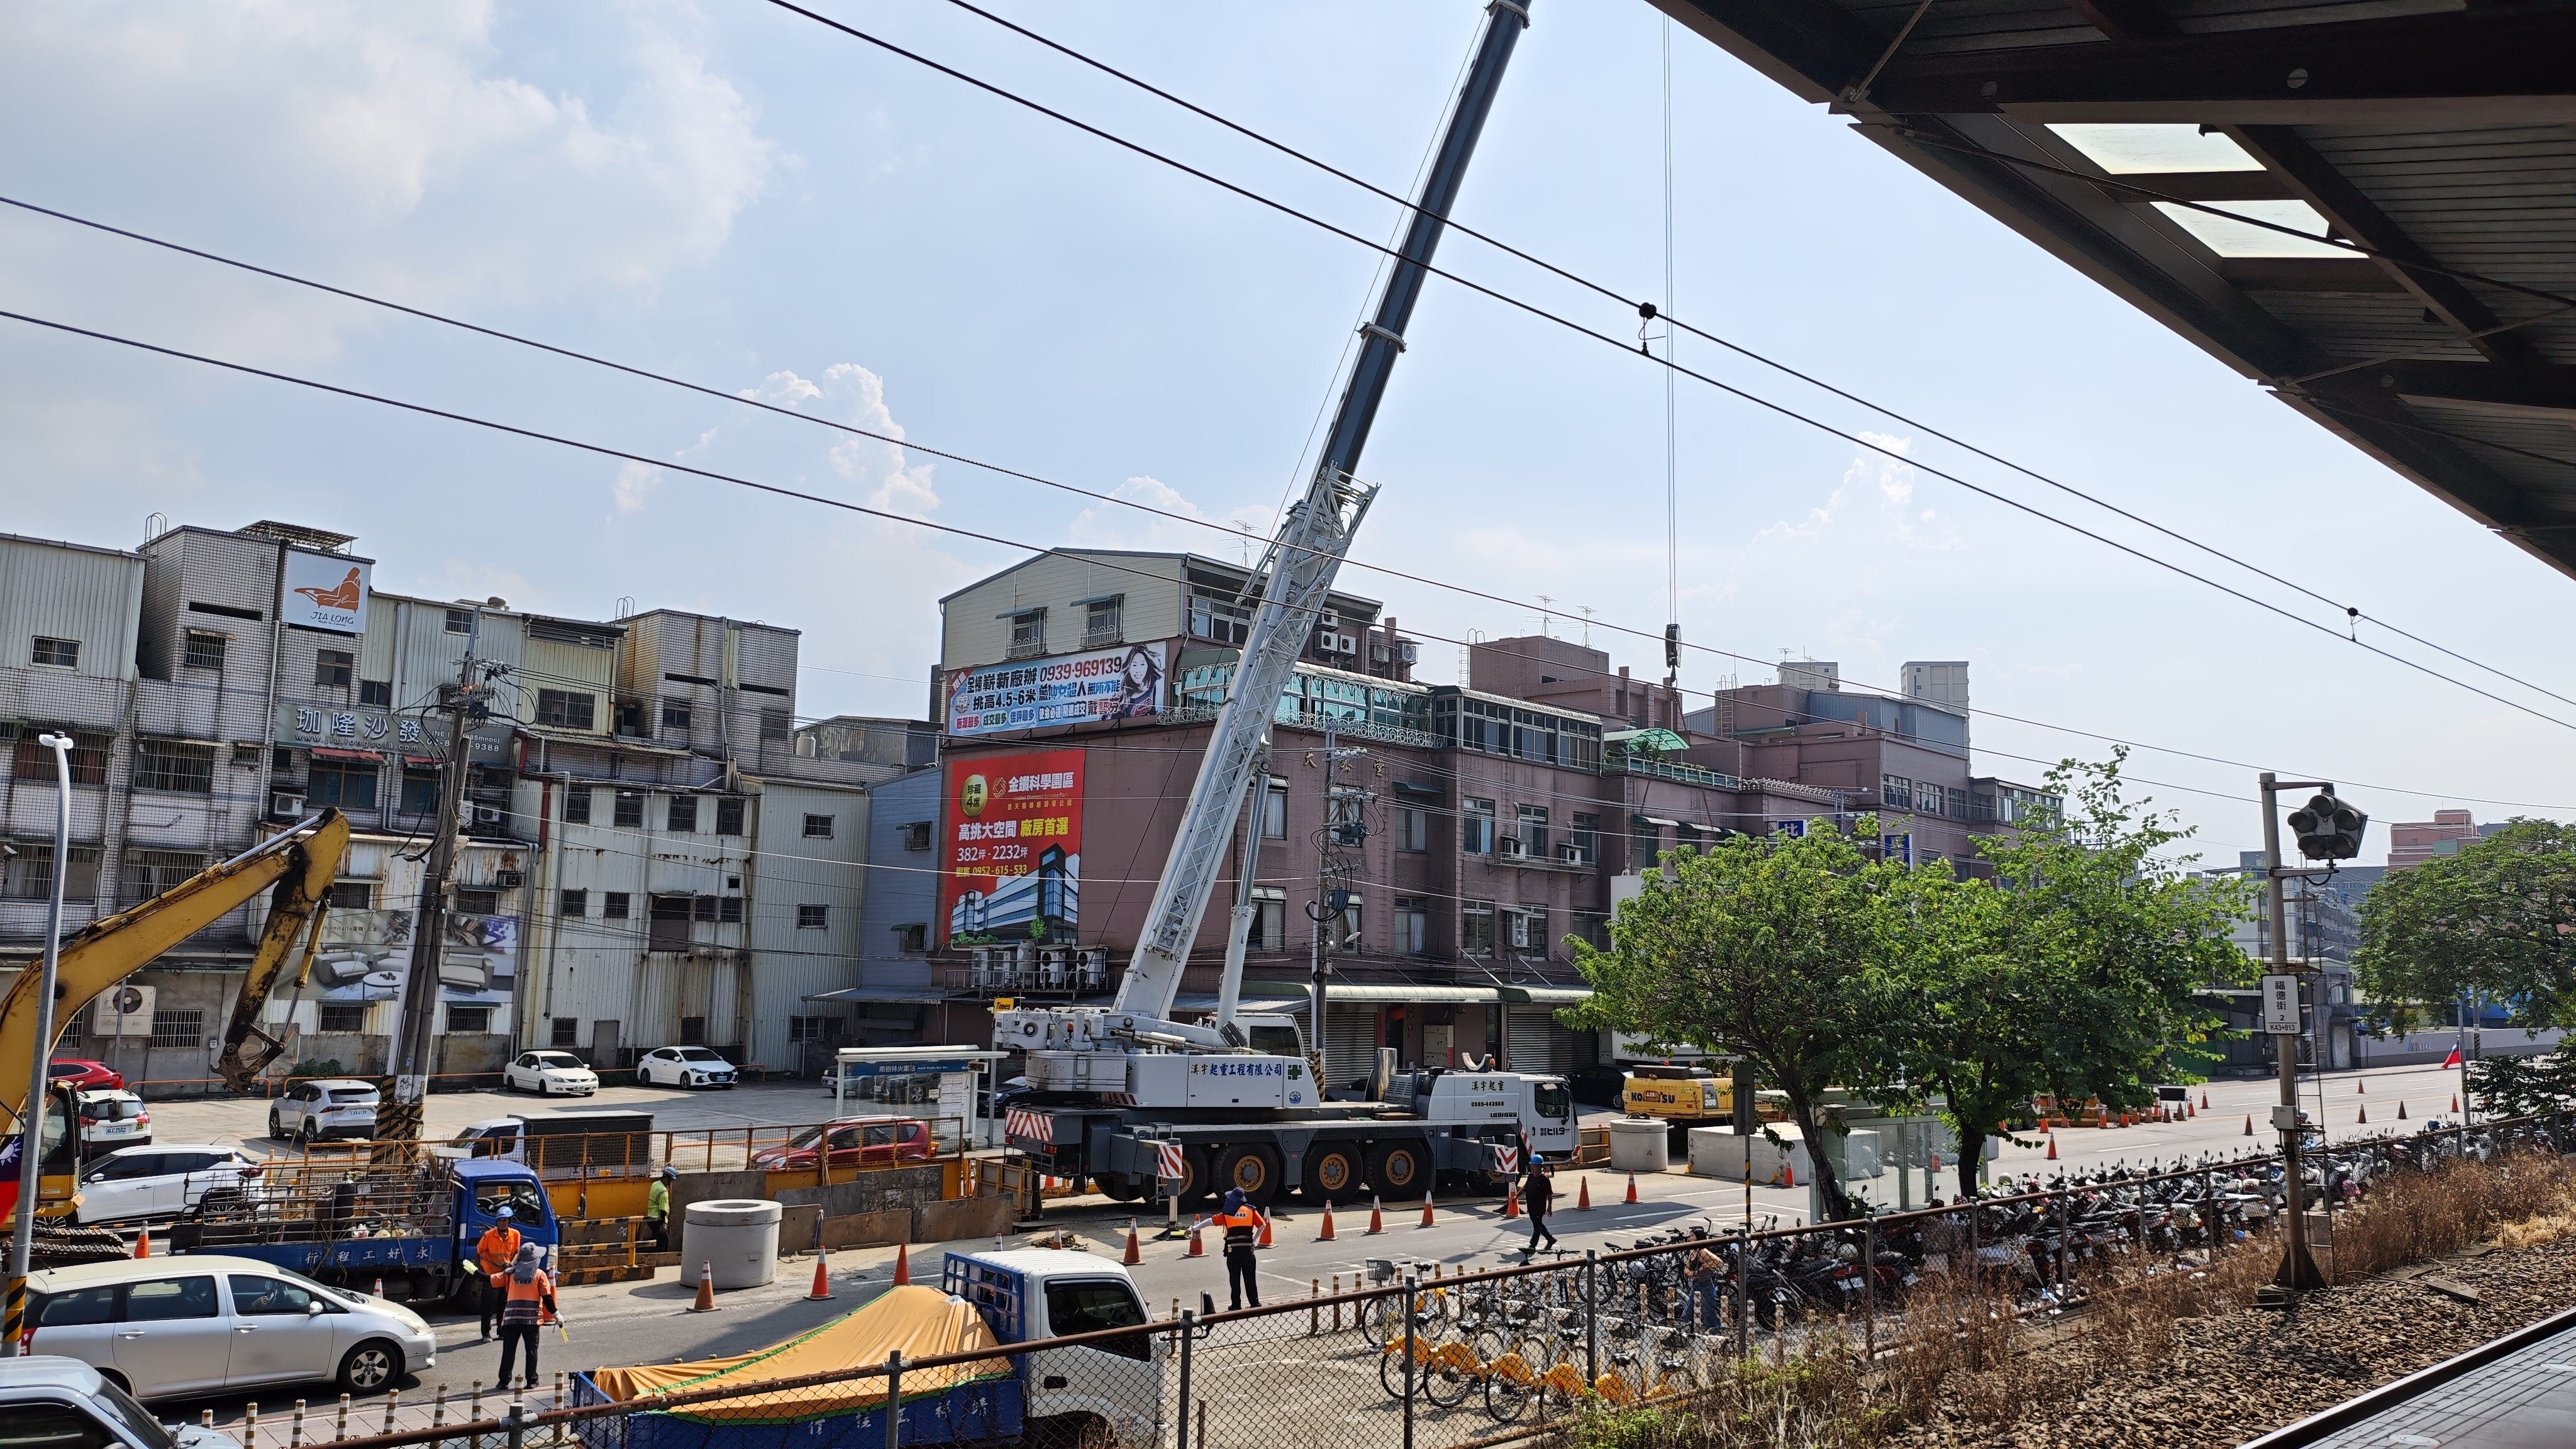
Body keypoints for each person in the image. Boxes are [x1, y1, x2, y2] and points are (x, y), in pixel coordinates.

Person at [496, 1243, 557, 1390]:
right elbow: (547, 1297)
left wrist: (475, 1273)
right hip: (531, 1320)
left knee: (508, 1351)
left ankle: (504, 1381)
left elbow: (493, 1281)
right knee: (531, 1351)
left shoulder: (511, 1274)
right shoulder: (539, 1275)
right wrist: (556, 1314)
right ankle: (532, 1380)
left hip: (511, 1319)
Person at [475, 1208, 522, 1340]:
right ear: (497, 1222)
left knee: (504, 1304)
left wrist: (512, 1264)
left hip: (506, 1275)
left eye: (505, 1220)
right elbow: (478, 1251)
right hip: (491, 1275)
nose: (503, 1223)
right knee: (488, 1305)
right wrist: (480, 1269)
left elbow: (517, 1252)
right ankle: (486, 1333)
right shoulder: (489, 1236)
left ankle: (501, 1331)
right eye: (500, 1221)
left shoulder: (515, 1234)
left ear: (509, 1221)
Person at [1214, 1187, 1263, 1310]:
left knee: (1234, 1280)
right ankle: (1255, 1303)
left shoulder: (1227, 1213)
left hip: (1233, 1251)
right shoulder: (1251, 1210)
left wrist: (1193, 1228)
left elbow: (1210, 1222)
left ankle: (1236, 1305)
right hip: (1248, 1251)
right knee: (1250, 1278)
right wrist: (1254, 1241)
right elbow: (1263, 1225)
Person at [1683, 1237, 1727, 1332]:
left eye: (1692, 1236)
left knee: (1709, 1312)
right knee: (1688, 1311)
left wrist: (1705, 1266)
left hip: (1705, 1284)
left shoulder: (1702, 1252)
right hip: (1696, 1285)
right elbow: (1686, 1268)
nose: (1690, 1238)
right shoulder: (1693, 1251)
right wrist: (1693, 1274)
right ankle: (1685, 1331)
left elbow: (1719, 1262)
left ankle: (1714, 1333)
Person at [1519, 1158, 1557, 1258]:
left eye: (1534, 1167)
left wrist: (1549, 1208)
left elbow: (1549, 1195)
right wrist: (1516, 1196)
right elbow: (1525, 1187)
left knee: (1537, 1227)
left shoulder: (1544, 1179)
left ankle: (1532, 1246)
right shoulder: (1531, 1176)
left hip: (1539, 1207)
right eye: (1531, 1166)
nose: (1532, 1169)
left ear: (1540, 1167)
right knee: (1538, 1224)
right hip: (1531, 1205)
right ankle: (1550, 1239)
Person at [647, 1167, 674, 1252]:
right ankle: (660, 1257)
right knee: (664, 1241)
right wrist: (664, 1224)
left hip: (650, 1217)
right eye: (671, 1180)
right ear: (667, 1178)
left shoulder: (655, 1184)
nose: (671, 1182)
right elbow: (663, 1209)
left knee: (656, 1239)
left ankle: (654, 1256)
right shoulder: (663, 1192)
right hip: (658, 1219)